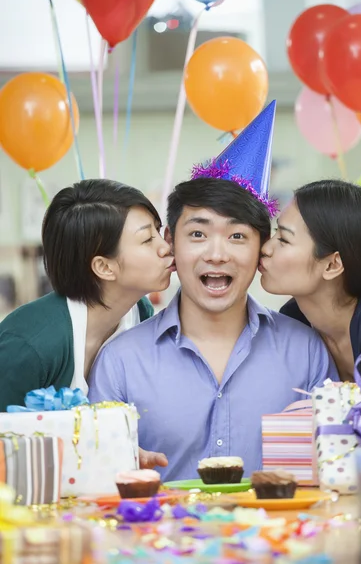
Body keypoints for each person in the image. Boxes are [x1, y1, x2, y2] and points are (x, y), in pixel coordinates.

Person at [89, 103, 338, 481]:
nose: (217, 254)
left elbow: (334, 467)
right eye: (198, 234)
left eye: (237, 236)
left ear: (262, 248)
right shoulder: (121, 362)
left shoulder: (306, 353)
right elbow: (98, 482)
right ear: (171, 242)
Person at [0, 179, 175, 412]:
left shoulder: (139, 312)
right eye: (147, 239)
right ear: (104, 267)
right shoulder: (29, 347)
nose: (165, 247)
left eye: (157, 230)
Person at [260, 179, 361, 385]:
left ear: (332, 265)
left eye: (283, 239)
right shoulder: (294, 318)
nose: (265, 248)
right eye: (275, 233)